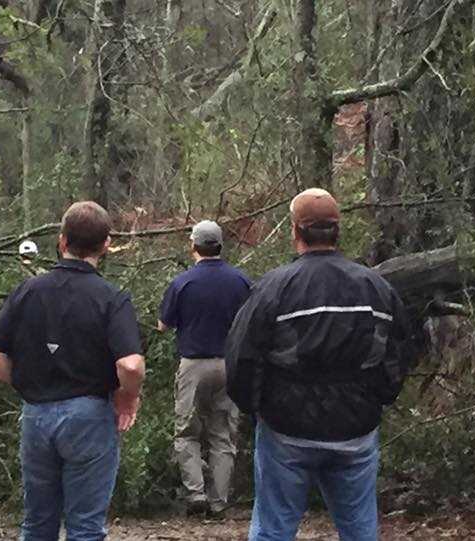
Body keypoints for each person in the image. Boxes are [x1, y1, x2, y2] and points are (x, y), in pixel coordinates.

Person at [225, 188, 416, 541]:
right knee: (360, 531)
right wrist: (378, 397)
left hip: (286, 430)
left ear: (295, 230)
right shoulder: (374, 287)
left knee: (272, 529)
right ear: (338, 230)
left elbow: (240, 358)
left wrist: (258, 408)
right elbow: (401, 350)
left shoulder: (275, 287)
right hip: (355, 430)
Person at [0, 201, 146, 541]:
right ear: (106, 245)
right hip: (89, 415)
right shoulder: (111, 298)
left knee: (38, 522)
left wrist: (25, 383)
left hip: (36, 415)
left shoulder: (28, 291)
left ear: (61, 242)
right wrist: (128, 396)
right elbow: (130, 364)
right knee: (84, 526)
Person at [157, 220, 252, 517]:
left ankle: (195, 494)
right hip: (230, 365)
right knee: (222, 434)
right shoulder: (241, 281)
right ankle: (218, 502)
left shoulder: (183, 282)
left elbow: (163, 325)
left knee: (187, 432)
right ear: (220, 246)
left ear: (193, 245)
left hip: (194, 364)